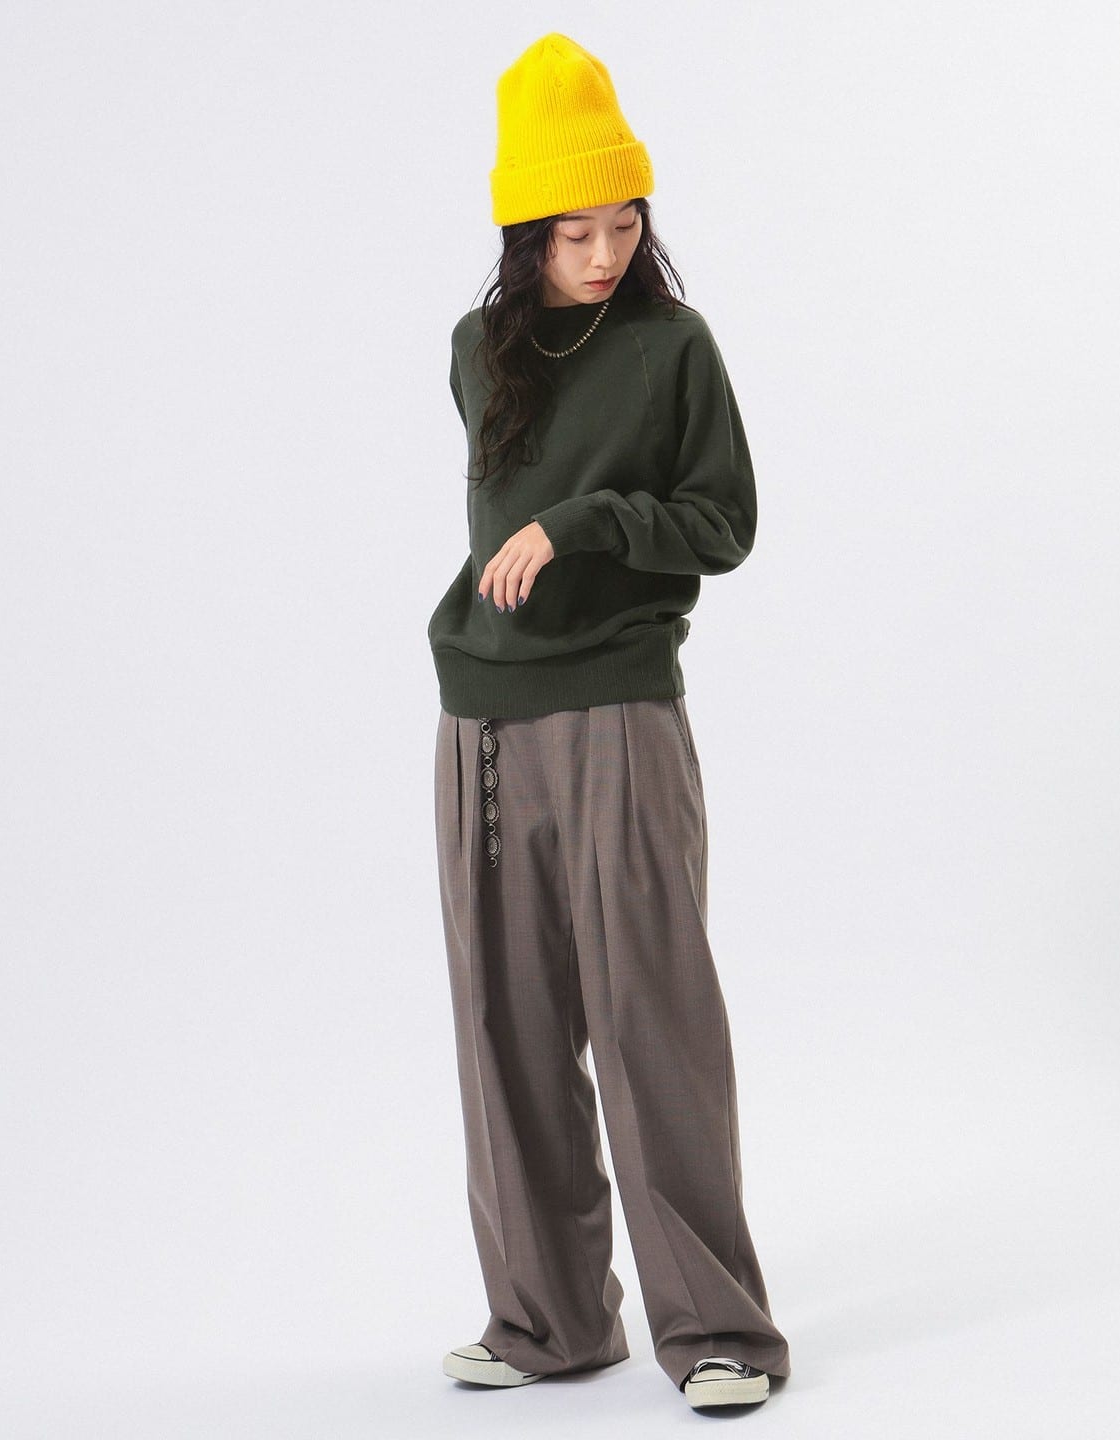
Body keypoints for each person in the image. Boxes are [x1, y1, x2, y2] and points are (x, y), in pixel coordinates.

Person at [426, 31, 792, 1413]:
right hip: (483, 716)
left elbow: (722, 523)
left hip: (623, 705)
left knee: (652, 1019)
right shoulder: (479, 350)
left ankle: (720, 1331)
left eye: (624, 222)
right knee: (506, 1025)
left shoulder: (673, 348)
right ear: (526, 233)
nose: (604, 252)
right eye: (574, 230)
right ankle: (547, 1321)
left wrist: (583, 525)